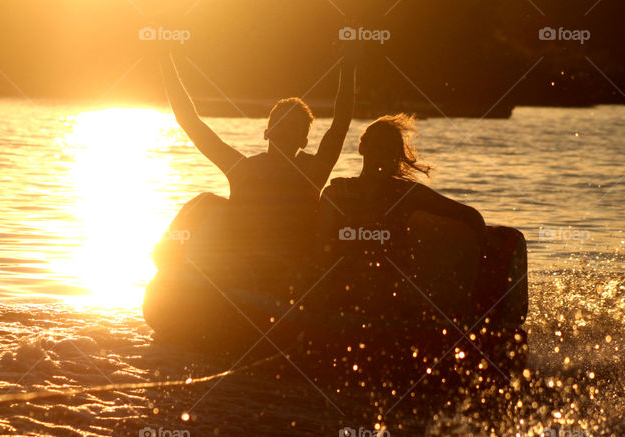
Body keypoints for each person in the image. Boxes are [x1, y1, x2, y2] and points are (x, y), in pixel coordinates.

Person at [159, 48, 357, 292]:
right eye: (279, 123)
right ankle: (170, 269)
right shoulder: (243, 170)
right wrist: (165, 59)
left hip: (292, 272)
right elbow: (189, 120)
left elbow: (341, 123)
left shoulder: (314, 170)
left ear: (303, 141)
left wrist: (348, 66)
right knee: (208, 202)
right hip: (243, 268)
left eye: (293, 126)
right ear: (267, 132)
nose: (284, 129)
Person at [319, 114, 486, 321]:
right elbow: (319, 247)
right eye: (376, 147)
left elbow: (471, 217)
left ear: (396, 157)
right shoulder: (336, 193)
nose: (380, 156)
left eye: (388, 151)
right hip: (344, 290)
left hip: (393, 294)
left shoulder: (407, 194)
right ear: (362, 148)